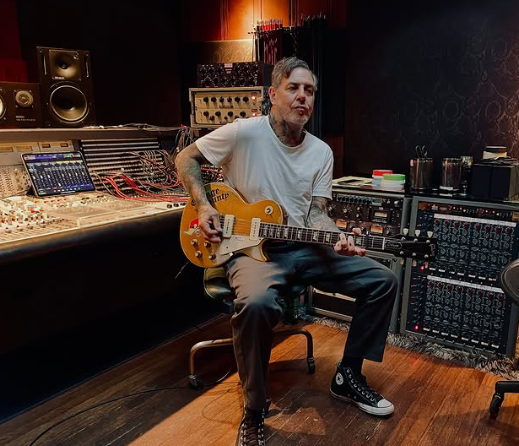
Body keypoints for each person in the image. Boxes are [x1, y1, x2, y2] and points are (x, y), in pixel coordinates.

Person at [175, 56, 398, 446]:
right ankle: (254, 410)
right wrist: (205, 205)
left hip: (304, 246)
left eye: (309, 91)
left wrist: (336, 237)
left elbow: (317, 213)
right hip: (250, 247)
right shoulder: (244, 133)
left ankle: (348, 375)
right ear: (273, 94)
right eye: (293, 88)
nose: (302, 97)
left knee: (382, 281)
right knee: (257, 303)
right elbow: (186, 157)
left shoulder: (321, 152)